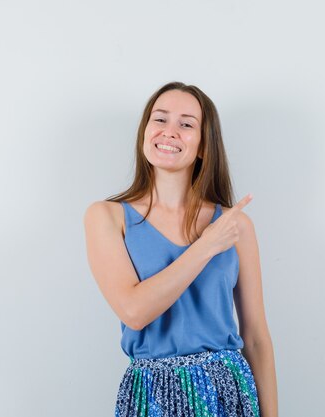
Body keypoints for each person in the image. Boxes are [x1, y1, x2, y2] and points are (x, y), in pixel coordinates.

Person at [83, 81, 279, 416]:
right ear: (145, 132)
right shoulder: (107, 216)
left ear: (204, 146)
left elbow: (257, 336)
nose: (169, 131)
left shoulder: (235, 226)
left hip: (227, 392)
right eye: (160, 119)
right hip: (152, 395)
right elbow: (134, 311)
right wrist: (206, 246)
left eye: (186, 124)